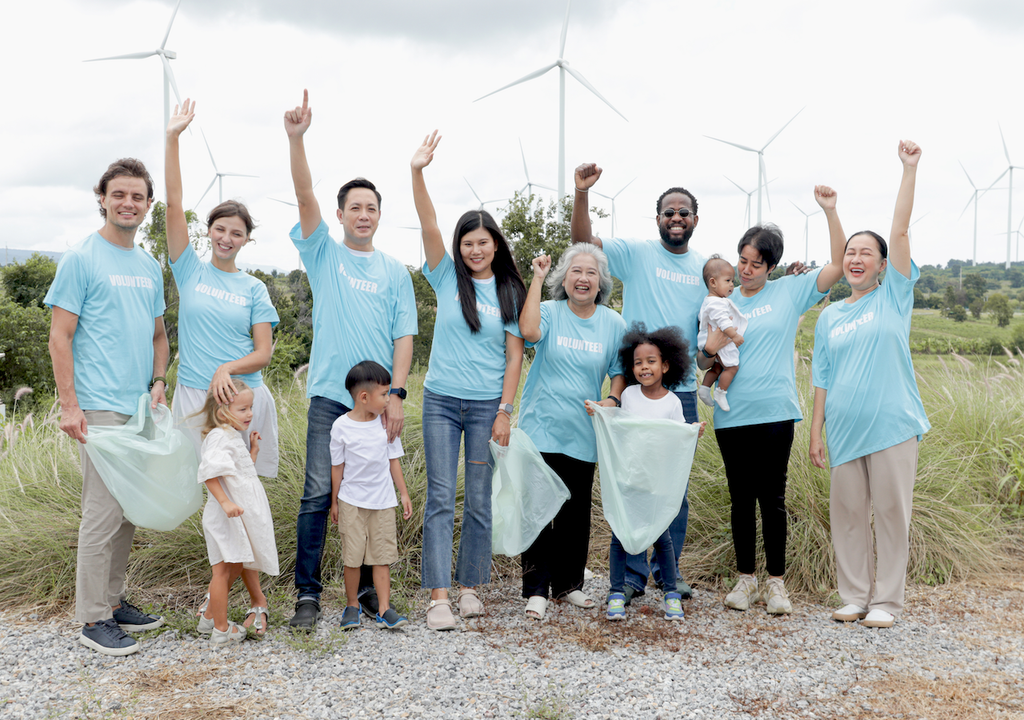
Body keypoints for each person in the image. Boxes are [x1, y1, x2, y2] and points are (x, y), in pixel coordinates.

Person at [284, 90, 418, 630]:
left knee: (374, 495)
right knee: (320, 493)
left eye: (371, 208)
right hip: (330, 400)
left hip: (377, 404)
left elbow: (403, 339)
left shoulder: (394, 272)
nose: (363, 215)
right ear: (340, 215)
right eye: (354, 208)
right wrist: (297, 139)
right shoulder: (324, 254)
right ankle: (308, 595)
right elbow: (303, 194)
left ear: (380, 217)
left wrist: (397, 396)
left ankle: (365, 596)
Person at [697, 186, 846, 616]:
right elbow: (701, 356)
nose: (745, 270)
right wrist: (712, 345)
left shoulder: (791, 290)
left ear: (772, 265)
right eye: (741, 261)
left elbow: (837, 264)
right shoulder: (718, 302)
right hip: (732, 414)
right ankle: (745, 581)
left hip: (776, 412)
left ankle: (776, 585)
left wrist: (829, 211)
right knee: (740, 498)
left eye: (755, 264)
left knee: (772, 499)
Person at [165, 100, 280, 636]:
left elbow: (264, 353)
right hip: (194, 400)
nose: (227, 237)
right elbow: (172, 205)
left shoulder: (254, 288)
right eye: (220, 229)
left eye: (237, 232)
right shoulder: (189, 270)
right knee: (215, 498)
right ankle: (223, 600)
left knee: (246, 497)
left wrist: (224, 368)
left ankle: (247, 602)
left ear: (247, 238)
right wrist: (174, 140)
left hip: (242, 400)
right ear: (208, 232)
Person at [45, 158, 168, 656]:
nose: (128, 203)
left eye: (137, 196)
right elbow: (60, 337)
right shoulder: (81, 259)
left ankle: (114, 603)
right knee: (101, 513)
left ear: (148, 205)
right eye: (119, 194)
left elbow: (160, 336)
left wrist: (160, 380)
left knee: (127, 511)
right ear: (102, 197)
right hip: (96, 409)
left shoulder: (149, 265)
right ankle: (92, 618)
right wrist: (69, 406)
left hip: (139, 407)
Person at [571, 163, 706, 602]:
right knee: (631, 486)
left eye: (684, 212)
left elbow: (740, 288)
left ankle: (668, 574)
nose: (676, 218)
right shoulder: (638, 252)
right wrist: (582, 194)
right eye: (669, 212)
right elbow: (583, 241)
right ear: (659, 219)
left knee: (672, 490)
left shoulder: (705, 267)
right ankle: (629, 579)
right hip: (635, 390)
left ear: (694, 220)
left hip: (679, 392)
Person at [809, 140, 929, 630]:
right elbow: (821, 377)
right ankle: (855, 595)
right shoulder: (830, 316)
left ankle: (887, 602)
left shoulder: (893, 299)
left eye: (866, 253)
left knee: (891, 517)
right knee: (850, 517)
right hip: (843, 430)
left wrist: (908, 169)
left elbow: (899, 229)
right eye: (849, 253)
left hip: (892, 426)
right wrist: (815, 432)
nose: (856, 259)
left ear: (882, 265)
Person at [410, 131, 527, 630]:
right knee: (440, 496)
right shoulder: (445, 278)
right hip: (439, 400)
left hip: (485, 407)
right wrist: (417, 172)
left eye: (483, 242)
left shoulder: (509, 291)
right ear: (459, 248)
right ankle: (439, 597)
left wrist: (504, 411)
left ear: (495, 245)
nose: (475, 249)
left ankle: (471, 588)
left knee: (479, 498)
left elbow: (515, 357)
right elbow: (428, 222)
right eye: (467, 242)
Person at [518, 244, 627, 621]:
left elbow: (619, 369)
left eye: (591, 273)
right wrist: (536, 277)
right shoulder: (549, 311)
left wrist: (612, 399)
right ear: (564, 279)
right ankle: (535, 590)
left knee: (574, 513)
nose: (583, 278)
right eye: (576, 271)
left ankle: (568, 586)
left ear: (601, 283)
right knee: (537, 509)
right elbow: (528, 331)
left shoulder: (614, 323)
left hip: (583, 430)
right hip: (541, 426)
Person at [589, 323, 706, 622]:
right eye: (638, 362)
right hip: (629, 480)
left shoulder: (673, 402)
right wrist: (599, 411)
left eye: (651, 361)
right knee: (620, 535)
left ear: (666, 365)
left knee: (662, 538)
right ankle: (616, 592)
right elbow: (615, 424)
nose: (644, 367)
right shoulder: (628, 396)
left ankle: (670, 594)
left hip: (657, 485)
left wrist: (693, 433)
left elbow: (678, 437)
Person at [194, 379, 280, 644]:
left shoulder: (230, 435)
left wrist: (253, 451)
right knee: (223, 572)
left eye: (250, 408)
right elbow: (210, 475)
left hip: (235, 517)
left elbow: (240, 473)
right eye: (243, 409)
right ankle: (221, 629)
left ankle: (209, 618)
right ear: (222, 412)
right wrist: (225, 503)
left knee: (232, 567)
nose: (250, 414)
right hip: (226, 517)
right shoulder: (219, 437)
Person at [329, 361, 413, 630]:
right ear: (364, 397)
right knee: (352, 558)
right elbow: (337, 467)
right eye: (384, 394)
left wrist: (403, 493)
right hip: (351, 502)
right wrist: (335, 501)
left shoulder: (384, 425)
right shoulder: (341, 427)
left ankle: (384, 609)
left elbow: (393, 461)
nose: (389, 400)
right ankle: (352, 605)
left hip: (383, 502)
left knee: (382, 556)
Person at [697, 256, 746, 412]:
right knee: (731, 367)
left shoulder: (711, 300)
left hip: (709, 341)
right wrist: (734, 336)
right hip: (717, 340)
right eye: (728, 281)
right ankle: (720, 392)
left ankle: (705, 389)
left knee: (718, 367)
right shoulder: (716, 303)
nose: (732, 285)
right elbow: (724, 322)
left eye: (732, 281)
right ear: (713, 282)